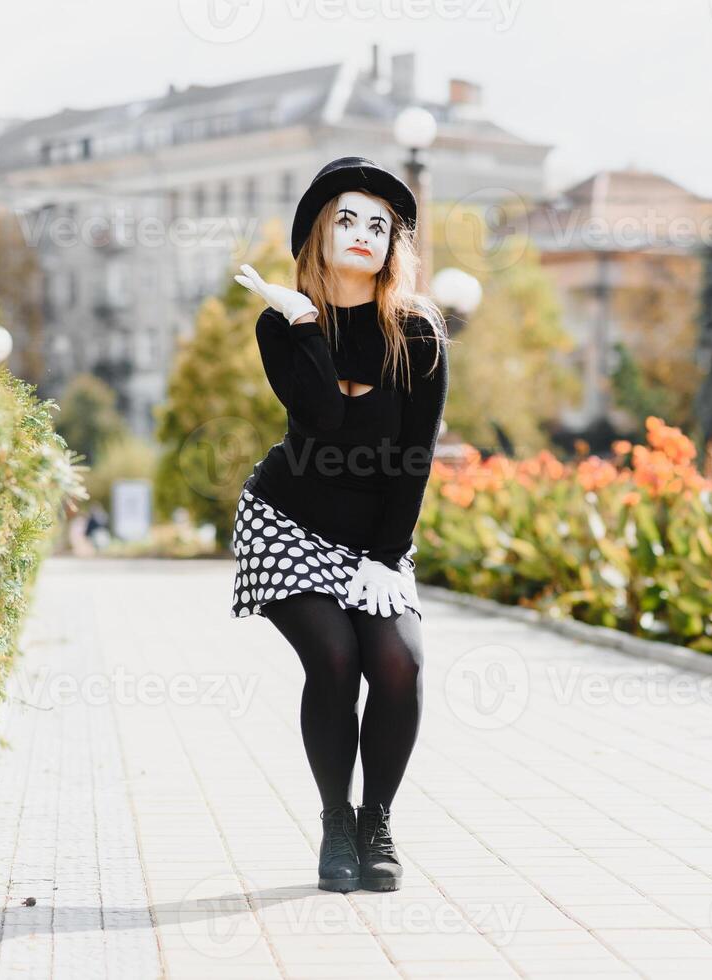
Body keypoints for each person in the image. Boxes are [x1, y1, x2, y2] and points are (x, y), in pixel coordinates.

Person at [229, 156, 450, 893]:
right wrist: (301, 320)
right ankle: (334, 823)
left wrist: (387, 559)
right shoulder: (280, 323)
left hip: (374, 541)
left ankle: (375, 820)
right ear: (321, 234)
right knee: (333, 660)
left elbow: (414, 457)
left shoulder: (417, 333)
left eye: (379, 225)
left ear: (395, 245)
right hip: (286, 520)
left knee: (399, 664)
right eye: (346, 220)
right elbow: (320, 420)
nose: (362, 234)